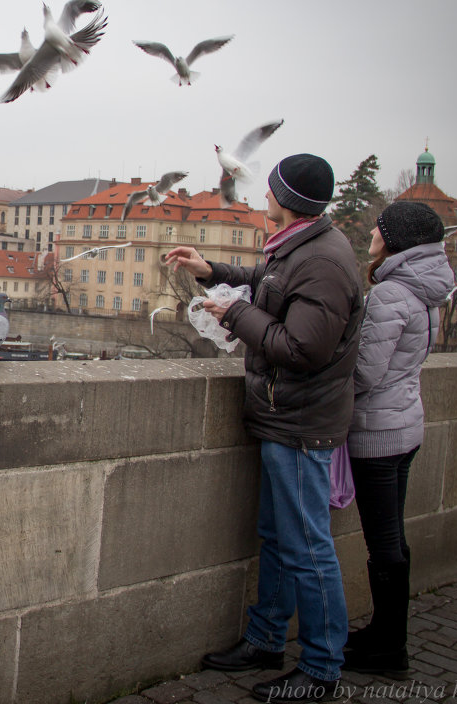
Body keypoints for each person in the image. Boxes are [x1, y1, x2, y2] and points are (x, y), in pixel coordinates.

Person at [164, 154, 364, 704]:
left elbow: (302, 348)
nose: (263, 195)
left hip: (300, 421)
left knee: (308, 548)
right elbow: (270, 284)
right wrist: (215, 272)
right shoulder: (303, 244)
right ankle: (267, 639)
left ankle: (322, 668)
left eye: (271, 188)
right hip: (285, 416)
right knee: (279, 540)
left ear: (286, 198)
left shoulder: (323, 260)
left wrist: (232, 315)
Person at [342, 201, 452, 679]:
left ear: (397, 239)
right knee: (394, 539)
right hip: (407, 423)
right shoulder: (428, 290)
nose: (372, 231)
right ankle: (386, 635)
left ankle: (390, 647)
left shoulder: (391, 294)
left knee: (383, 543)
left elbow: (364, 373)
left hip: (378, 433)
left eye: (380, 227)